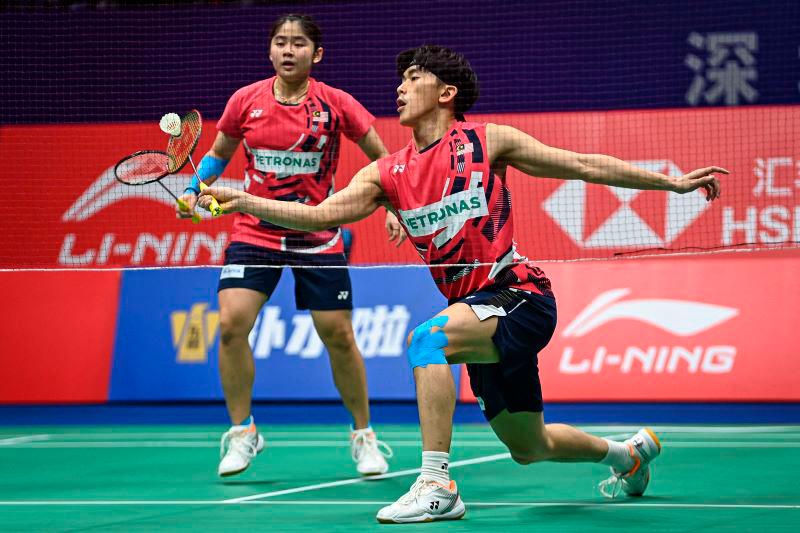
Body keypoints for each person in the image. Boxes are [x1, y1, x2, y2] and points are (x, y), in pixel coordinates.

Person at [197, 45, 725, 522]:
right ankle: (627, 455)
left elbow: (582, 165)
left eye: (412, 77)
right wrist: (244, 201)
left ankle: (437, 485)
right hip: (476, 311)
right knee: (529, 445)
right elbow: (321, 216)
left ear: (445, 93)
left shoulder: (486, 141)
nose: (399, 87)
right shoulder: (388, 174)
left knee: (428, 340)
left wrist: (671, 182)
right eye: (399, 79)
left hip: (520, 294)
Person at [178, 14, 404, 478]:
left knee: (339, 336)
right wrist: (192, 187)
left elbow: (385, 159)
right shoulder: (246, 100)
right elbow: (220, 153)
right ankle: (243, 432)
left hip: (318, 233)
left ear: (315, 54)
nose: (287, 50)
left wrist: (393, 205)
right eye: (280, 42)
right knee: (231, 324)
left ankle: (363, 435)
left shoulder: (336, 103)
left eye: (298, 44)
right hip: (254, 231)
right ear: (270, 51)